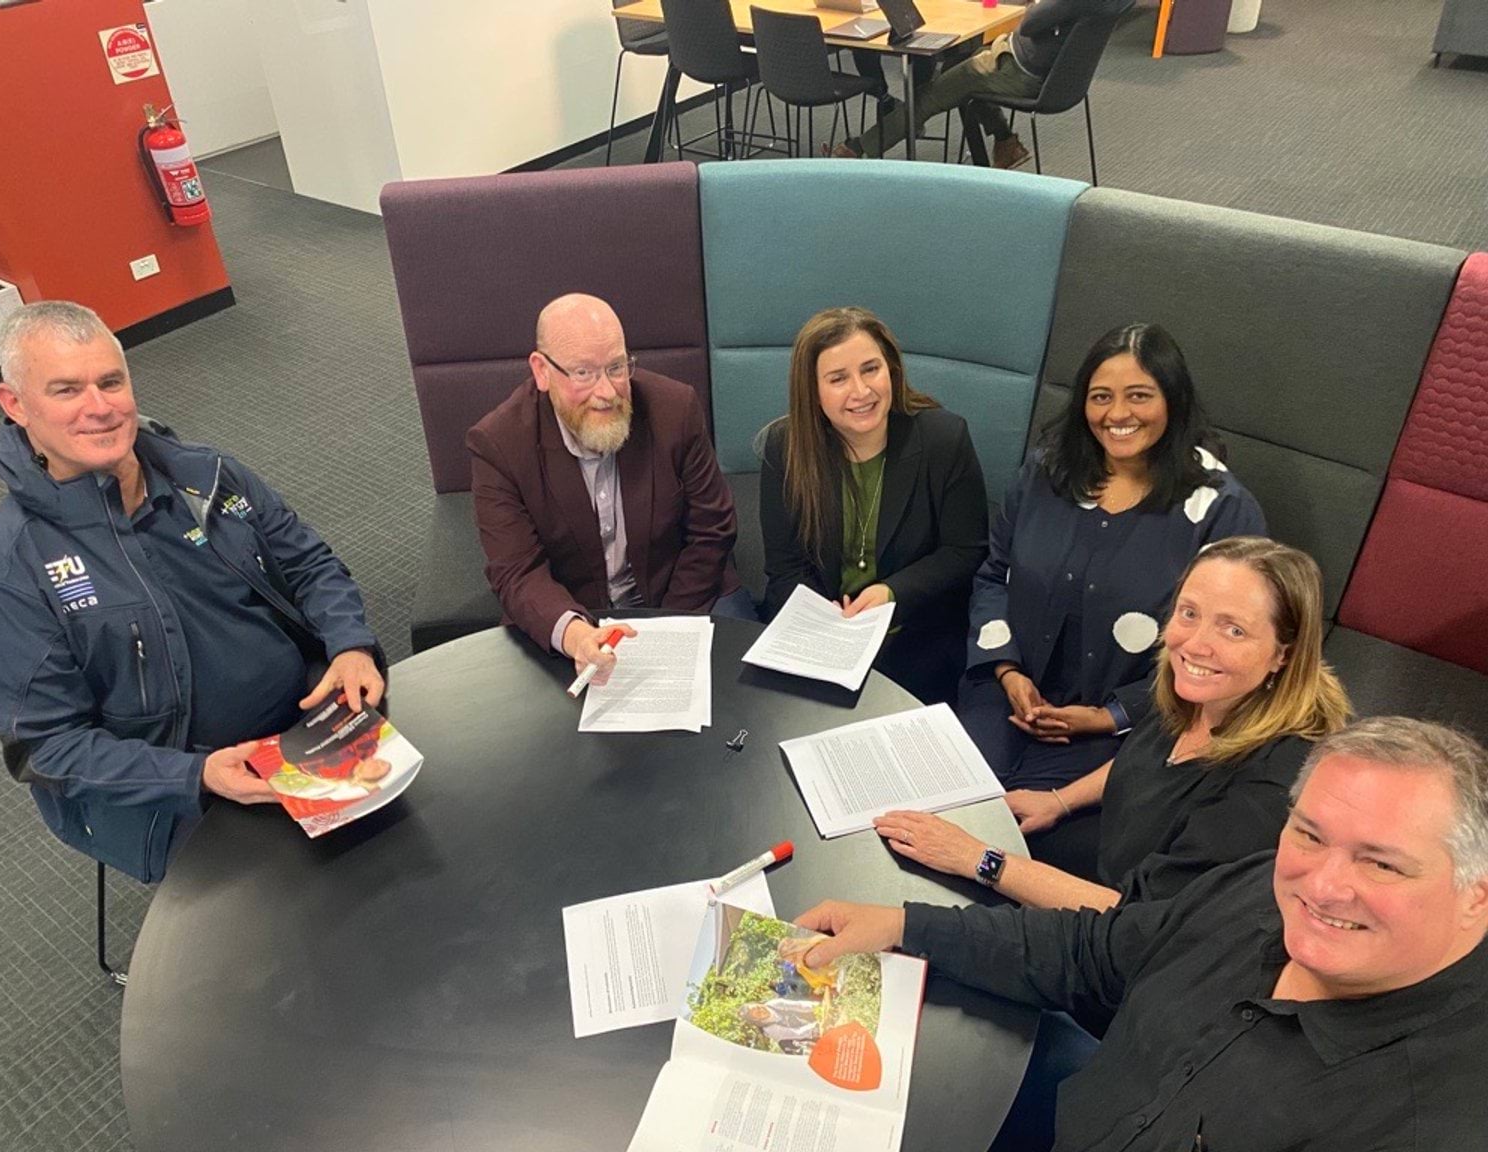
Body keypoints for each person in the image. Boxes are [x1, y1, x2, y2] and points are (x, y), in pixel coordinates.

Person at [792, 717, 1488, 1149]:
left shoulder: (1433, 1123)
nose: (1323, 885)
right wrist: (908, 924)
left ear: (1474, 895)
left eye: (1382, 863)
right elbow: (1097, 952)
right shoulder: (1255, 888)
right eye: (1309, 833)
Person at [0, 302, 385, 884]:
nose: (100, 408)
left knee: (408, 847)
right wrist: (197, 776)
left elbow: (308, 563)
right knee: (304, 919)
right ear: (15, 405)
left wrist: (350, 643)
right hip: (175, 787)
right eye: (66, 390)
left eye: (111, 381)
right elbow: (49, 748)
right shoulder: (3, 576)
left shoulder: (207, 475)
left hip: (304, 721)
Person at [876, 537, 1352, 909]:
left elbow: (1140, 923)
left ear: (1283, 654)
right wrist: (1060, 800)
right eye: (1189, 613)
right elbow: (1149, 762)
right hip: (1106, 865)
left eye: (1233, 629)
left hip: (1122, 943)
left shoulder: (1274, 785)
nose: (1196, 644)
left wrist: (978, 859)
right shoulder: (1196, 690)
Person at [962, 322, 1265, 792]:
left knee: (1019, 830)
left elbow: (1220, 653)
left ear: (1173, 400)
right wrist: (1007, 671)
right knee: (951, 801)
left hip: (1134, 724)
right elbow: (993, 575)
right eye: (1101, 396)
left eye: (1139, 396)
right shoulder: (1048, 469)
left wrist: (1109, 717)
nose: (1117, 413)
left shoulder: (1223, 509)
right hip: (1006, 691)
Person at [466, 293, 751, 684]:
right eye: (583, 373)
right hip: (573, 613)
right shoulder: (498, 444)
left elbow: (712, 527)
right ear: (542, 371)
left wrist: (666, 630)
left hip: (685, 593)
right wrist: (575, 634)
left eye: (616, 367)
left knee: (742, 700)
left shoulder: (675, 408)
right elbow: (516, 571)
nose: (606, 392)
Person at [757, 307, 988, 705]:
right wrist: (825, 623)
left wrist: (891, 593)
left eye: (870, 369)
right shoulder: (785, 447)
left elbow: (965, 551)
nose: (861, 391)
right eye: (838, 378)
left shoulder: (944, 439)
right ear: (812, 390)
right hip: (822, 639)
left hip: (916, 638)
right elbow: (784, 569)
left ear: (892, 371)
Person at [834, 0, 1135, 163]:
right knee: (957, 65)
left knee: (927, 97)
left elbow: (1029, 24)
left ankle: (857, 149)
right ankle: (1006, 143)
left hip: (1020, 71)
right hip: (1054, 76)